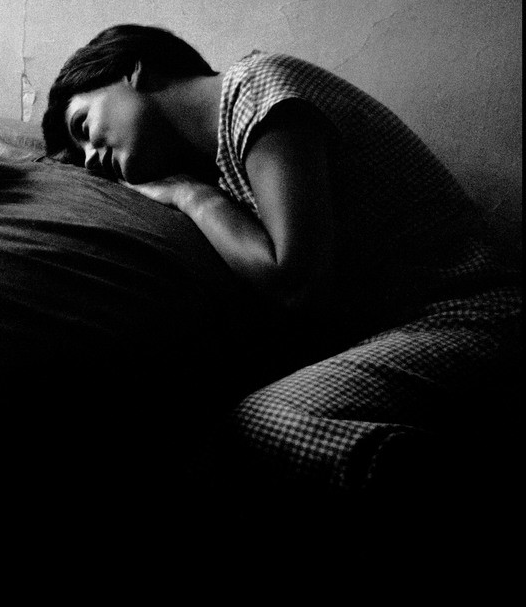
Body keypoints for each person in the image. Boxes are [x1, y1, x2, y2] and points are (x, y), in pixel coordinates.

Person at [42, 24, 521, 491]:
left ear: (134, 70)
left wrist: (192, 196)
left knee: (264, 425)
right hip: (415, 328)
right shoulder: (225, 158)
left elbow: (295, 282)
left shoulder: (258, 87)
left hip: (477, 315)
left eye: (84, 126)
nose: (91, 157)